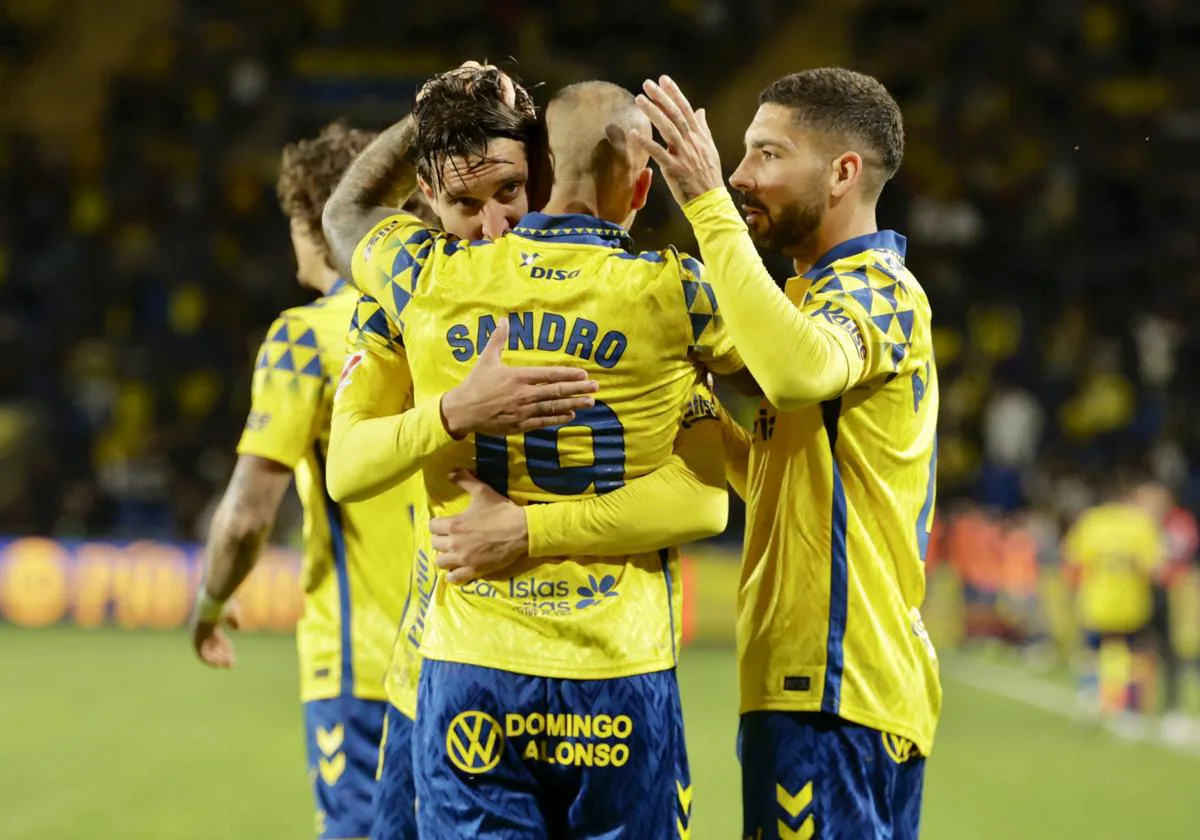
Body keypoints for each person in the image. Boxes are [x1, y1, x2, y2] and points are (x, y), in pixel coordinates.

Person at [323, 78, 743, 839]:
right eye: (466, 203)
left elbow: (345, 214)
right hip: (619, 667)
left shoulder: (423, 281)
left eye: (512, 189)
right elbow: (785, 374)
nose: (492, 221)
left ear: (543, 170)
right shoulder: (679, 296)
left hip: (469, 665)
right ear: (645, 186)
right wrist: (713, 203)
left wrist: (520, 526)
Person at [634, 69, 941, 838]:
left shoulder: (880, 290)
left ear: (842, 174)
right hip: (810, 687)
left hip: (835, 683)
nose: (740, 175)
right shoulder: (802, 304)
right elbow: (782, 474)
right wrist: (690, 406)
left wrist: (706, 207)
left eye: (768, 154)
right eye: (740, 155)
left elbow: (800, 372)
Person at [188, 122, 431, 839]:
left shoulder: (307, 337)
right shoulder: (444, 316)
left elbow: (245, 515)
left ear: (317, 220)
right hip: (464, 657)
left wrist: (210, 602)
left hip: (363, 667)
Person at [1064, 478, 1166, 734]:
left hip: (1096, 601)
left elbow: (1072, 561)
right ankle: (1130, 714)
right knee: (1136, 657)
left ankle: (1089, 697)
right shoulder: (1140, 524)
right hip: (1131, 604)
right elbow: (1155, 567)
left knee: (1091, 652)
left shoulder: (1091, 521)